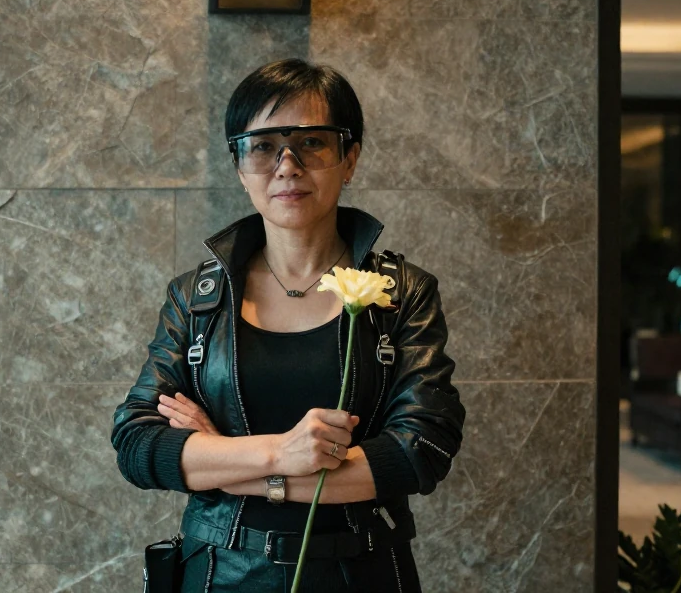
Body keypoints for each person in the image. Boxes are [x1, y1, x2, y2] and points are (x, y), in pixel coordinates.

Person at [112, 58, 465, 592]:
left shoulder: (401, 293)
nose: (287, 165)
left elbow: (421, 450)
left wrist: (226, 460)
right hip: (217, 576)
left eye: (313, 143)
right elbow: (138, 444)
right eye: (262, 145)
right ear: (239, 167)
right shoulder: (198, 300)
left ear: (350, 159)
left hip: (361, 575)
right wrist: (281, 454)